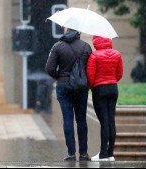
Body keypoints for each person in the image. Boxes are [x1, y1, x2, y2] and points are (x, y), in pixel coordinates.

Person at [45, 28, 92, 161]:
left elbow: (49, 68)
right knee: (81, 119)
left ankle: (71, 153)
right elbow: (91, 68)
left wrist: (60, 76)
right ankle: (83, 153)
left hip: (64, 87)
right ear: (78, 32)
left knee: (67, 119)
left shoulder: (58, 46)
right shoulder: (86, 46)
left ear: (66, 30)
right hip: (81, 87)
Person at [87, 36, 124, 162]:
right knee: (111, 120)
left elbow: (90, 76)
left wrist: (93, 87)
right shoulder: (117, 54)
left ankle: (103, 154)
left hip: (99, 89)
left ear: (96, 42)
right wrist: (111, 81)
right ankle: (110, 153)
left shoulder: (94, 56)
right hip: (113, 88)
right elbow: (119, 73)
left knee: (104, 121)